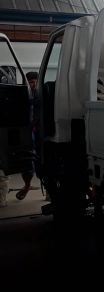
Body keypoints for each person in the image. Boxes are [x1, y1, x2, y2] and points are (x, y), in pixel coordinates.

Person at [15, 71, 39, 201]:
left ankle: (49, 194)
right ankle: (27, 185)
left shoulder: (41, 94)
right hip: (29, 131)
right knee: (27, 159)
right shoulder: (26, 94)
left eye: (33, 81)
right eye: (29, 82)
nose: (32, 84)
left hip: (39, 131)